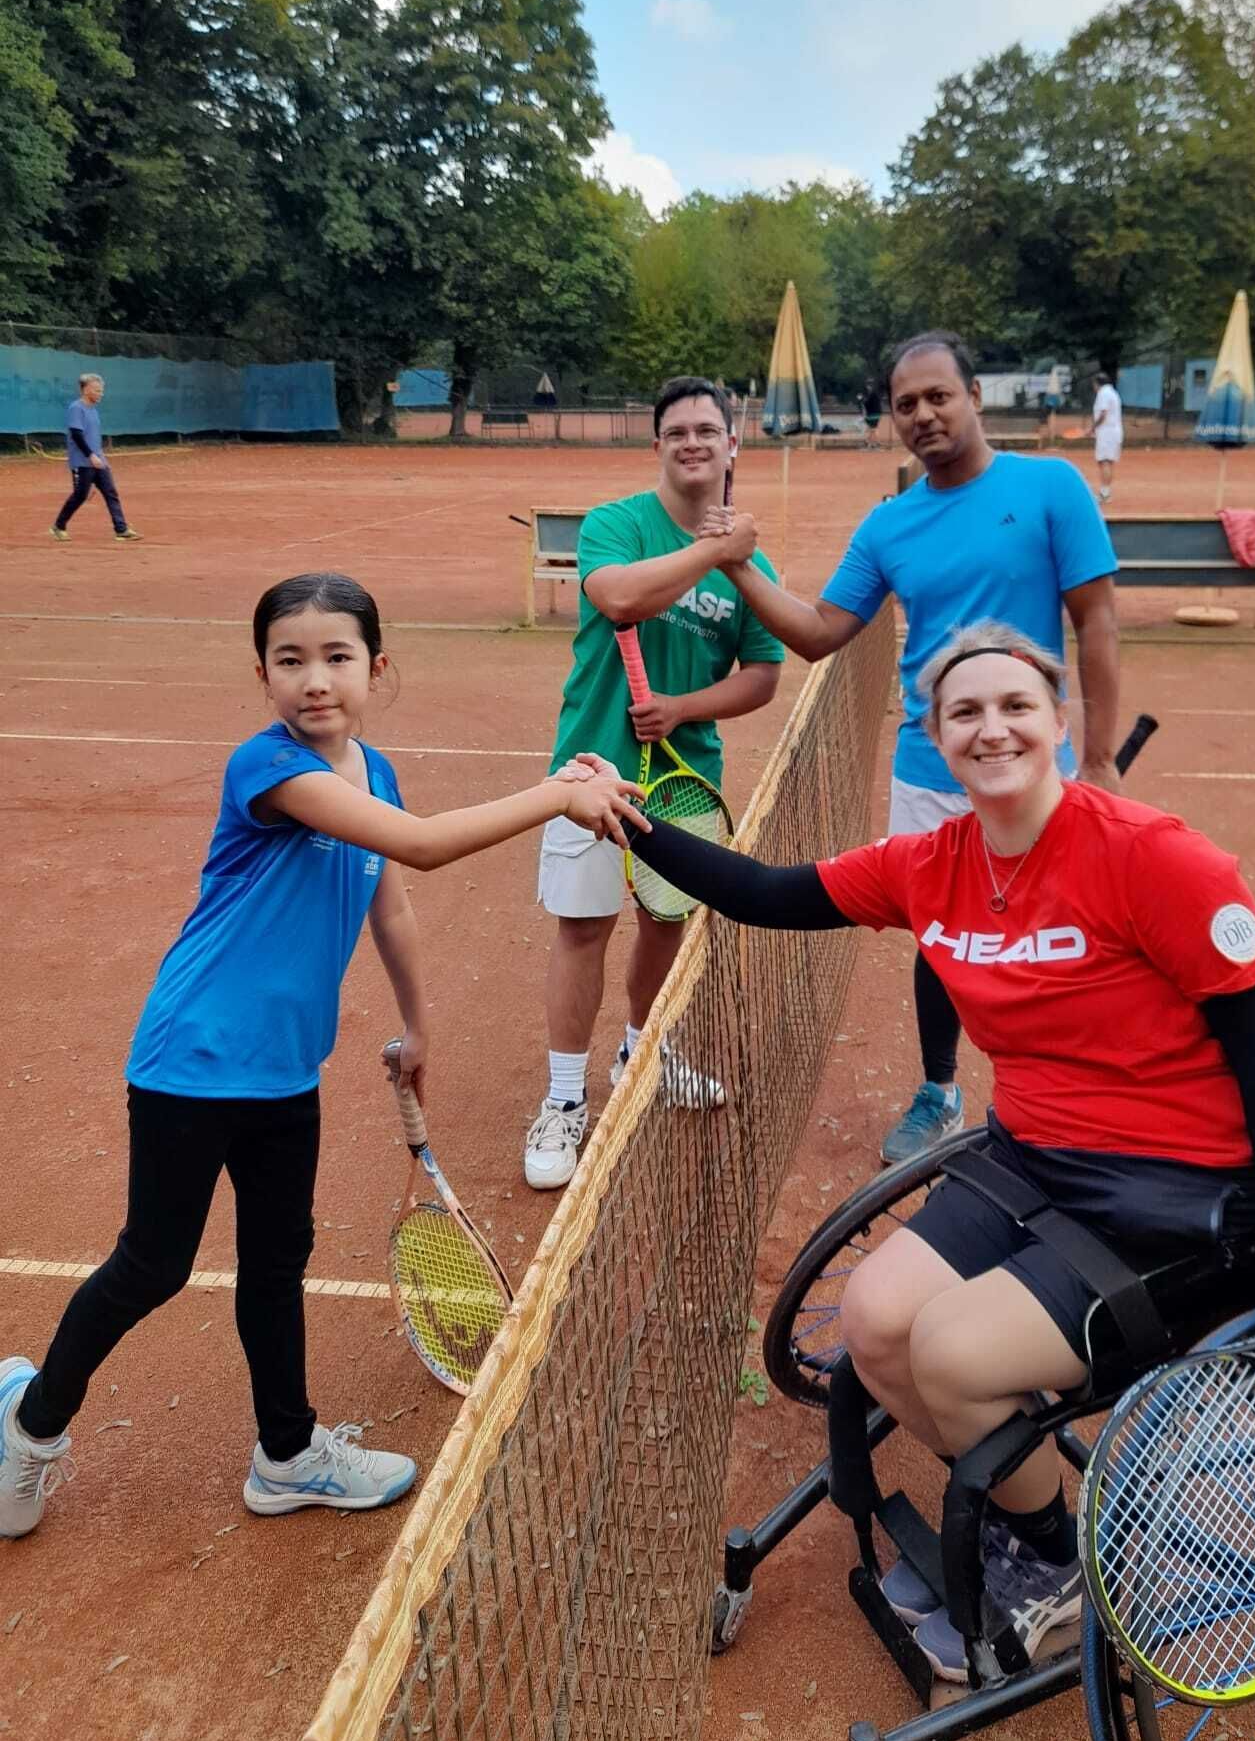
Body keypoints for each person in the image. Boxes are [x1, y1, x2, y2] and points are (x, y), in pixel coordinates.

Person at [585, 619, 1255, 1683]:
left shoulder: (1156, 857)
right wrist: (628, 822)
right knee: (869, 1320)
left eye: (1014, 706)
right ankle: (1024, 1512)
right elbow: (768, 894)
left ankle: (1052, 1565)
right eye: (965, 712)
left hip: (1179, 1195)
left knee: (948, 1351)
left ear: (1055, 723)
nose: (991, 727)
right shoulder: (929, 864)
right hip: (1034, 1161)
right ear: (934, 738)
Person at [0, 572, 643, 1541]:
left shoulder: (373, 770)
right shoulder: (268, 770)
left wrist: (421, 1024)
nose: (314, 679)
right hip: (192, 1060)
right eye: (290, 659)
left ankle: (288, 1454)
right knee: (154, 1262)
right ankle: (28, 1428)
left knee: (276, 1261)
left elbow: (390, 893)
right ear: (260, 672)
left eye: (337, 656)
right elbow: (422, 848)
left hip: (286, 1071)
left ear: (377, 668)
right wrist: (562, 791)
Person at [709, 330, 1120, 1166]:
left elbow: (1097, 624)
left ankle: (1060, 1099)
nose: (924, 415)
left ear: (974, 395)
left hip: (1038, 766)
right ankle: (939, 1089)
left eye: (939, 396)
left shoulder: (1051, 487)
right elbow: (822, 632)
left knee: (1059, 936)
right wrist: (740, 566)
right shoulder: (889, 525)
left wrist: (1103, 761)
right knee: (944, 941)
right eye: (906, 405)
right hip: (931, 769)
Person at [525, 377, 785, 1193]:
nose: (693, 441)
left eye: (709, 429)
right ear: (659, 446)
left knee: (665, 923)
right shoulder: (618, 525)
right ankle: (565, 1101)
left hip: (682, 778)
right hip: (591, 769)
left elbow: (763, 674)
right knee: (583, 927)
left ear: (731, 445)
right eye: (677, 431)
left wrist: (681, 709)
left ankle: (645, 1052)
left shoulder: (754, 567)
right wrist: (719, 548)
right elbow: (615, 595)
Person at [48, 374, 142, 544]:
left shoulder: (93, 410)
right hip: (82, 462)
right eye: (97, 390)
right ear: (86, 390)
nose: (101, 394)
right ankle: (59, 526)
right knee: (80, 496)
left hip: (98, 461)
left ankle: (121, 529)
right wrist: (90, 455)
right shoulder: (76, 408)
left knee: (110, 492)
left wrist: (101, 457)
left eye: (101, 390)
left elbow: (93, 437)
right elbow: (77, 435)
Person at [1091, 371, 1123, 502]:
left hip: (1107, 432)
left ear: (1097, 383)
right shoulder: (1112, 392)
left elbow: (1103, 414)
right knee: (1107, 462)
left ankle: (1105, 494)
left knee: (1104, 461)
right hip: (1113, 432)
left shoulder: (1103, 393)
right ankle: (1106, 491)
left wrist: (1093, 427)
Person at [861, 377, 883, 448]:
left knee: (872, 429)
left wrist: (861, 400)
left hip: (873, 414)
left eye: (868, 385)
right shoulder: (874, 393)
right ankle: (871, 442)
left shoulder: (872, 394)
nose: (867, 387)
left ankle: (873, 443)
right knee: (872, 428)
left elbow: (867, 403)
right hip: (876, 413)